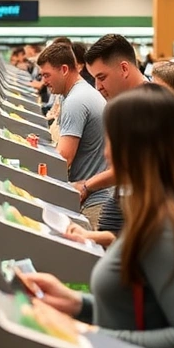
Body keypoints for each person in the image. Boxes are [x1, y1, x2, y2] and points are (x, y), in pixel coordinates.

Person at [29, 85, 174, 348]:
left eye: (111, 140)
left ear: (136, 145)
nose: (106, 152)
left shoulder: (166, 225)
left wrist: (86, 334)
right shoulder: (155, 210)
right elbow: (143, 312)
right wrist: (77, 304)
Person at [65, 34, 149, 245]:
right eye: (94, 78)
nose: (97, 86)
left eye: (102, 77)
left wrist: (86, 185)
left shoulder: (150, 107)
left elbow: (132, 168)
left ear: (124, 68)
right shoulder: (125, 104)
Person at [37, 40, 110, 227]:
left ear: (63, 69)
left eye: (47, 75)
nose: (44, 82)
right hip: (95, 193)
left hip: (93, 200)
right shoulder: (77, 93)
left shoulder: (75, 101)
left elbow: (63, 158)